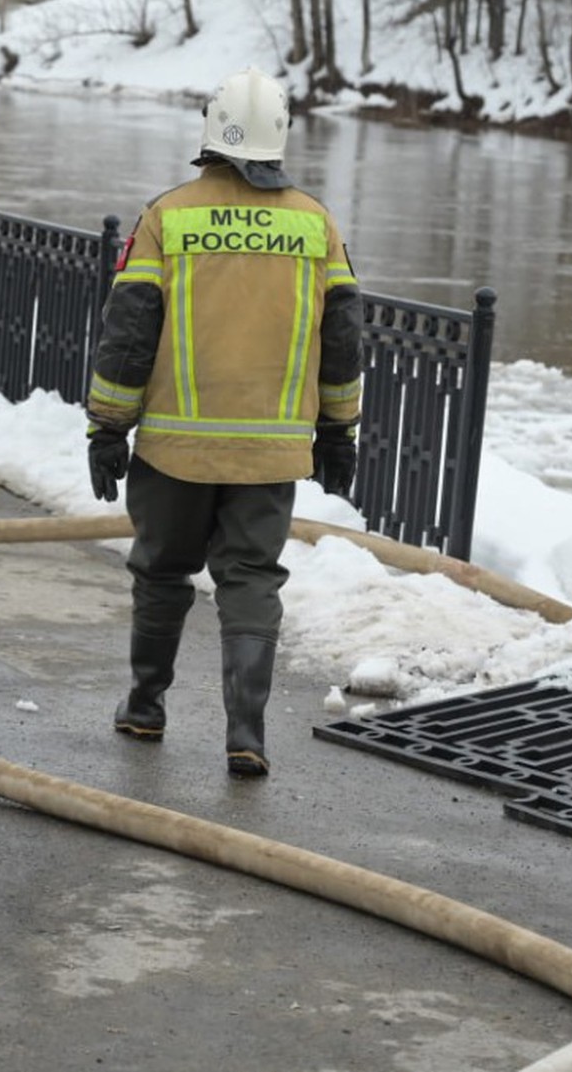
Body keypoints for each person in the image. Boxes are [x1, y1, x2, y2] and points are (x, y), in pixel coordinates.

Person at [85, 67, 363, 778]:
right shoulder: (315, 223)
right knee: (251, 581)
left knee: (162, 570)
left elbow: (129, 331)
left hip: (175, 450)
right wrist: (339, 428)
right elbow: (343, 337)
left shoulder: (166, 217)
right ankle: (247, 733)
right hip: (270, 457)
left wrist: (108, 427)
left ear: (209, 135)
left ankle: (145, 705)